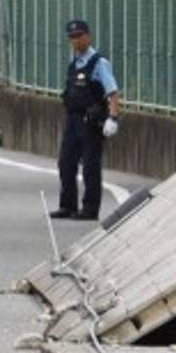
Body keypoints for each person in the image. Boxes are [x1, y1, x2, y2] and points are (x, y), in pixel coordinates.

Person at [49, 19, 121, 221]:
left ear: (88, 36)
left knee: (90, 166)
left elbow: (112, 92)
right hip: (72, 120)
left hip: (91, 122)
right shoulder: (74, 64)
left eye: (79, 36)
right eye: (72, 37)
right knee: (66, 163)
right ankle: (67, 205)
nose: (75, 40)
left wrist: (113, 118)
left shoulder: (99, 63)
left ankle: (90, 209)